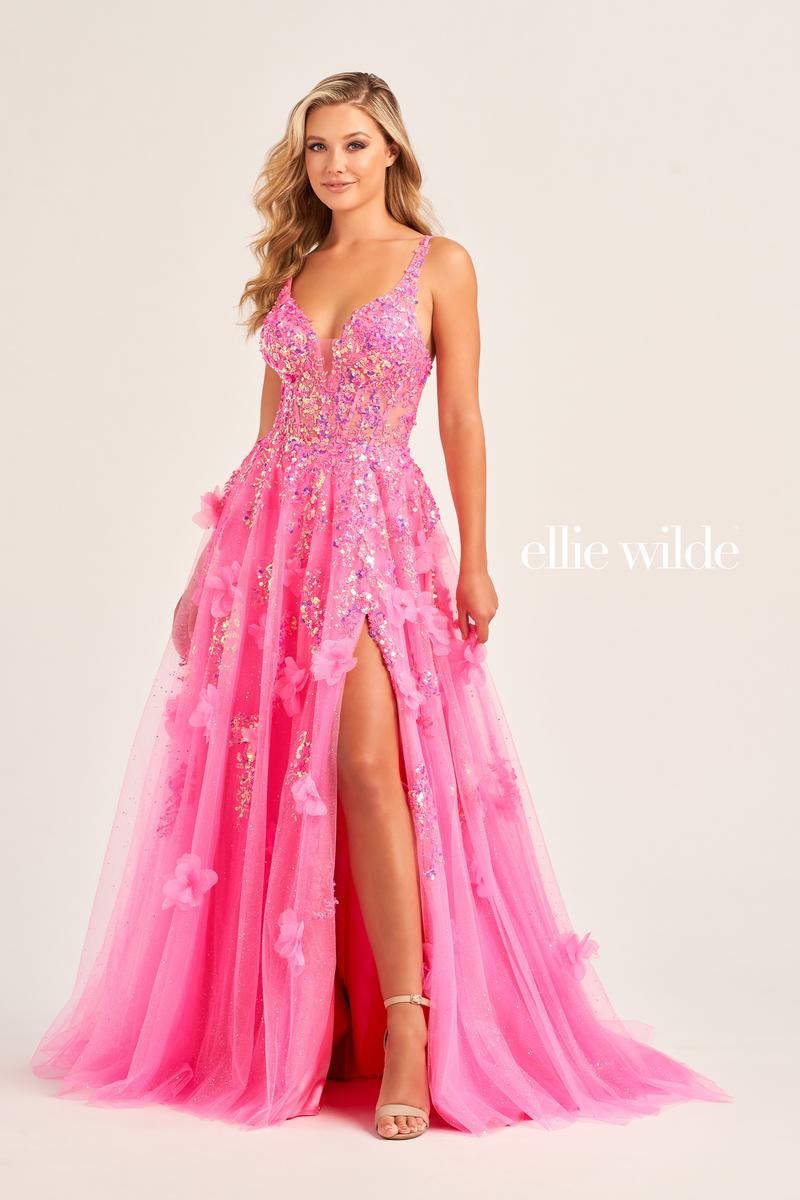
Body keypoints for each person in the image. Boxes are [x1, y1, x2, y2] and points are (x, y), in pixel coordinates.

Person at [31, 71, 732, 1141]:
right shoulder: (297, 268)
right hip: (275, 541)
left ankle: (409, 1023)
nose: (334, 164)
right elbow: (268, 435)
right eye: (317, 146)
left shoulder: (438, 264)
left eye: (354, 143)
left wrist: (477, 560)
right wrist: (206, 569)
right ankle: (317, 1014)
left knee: (368, 763)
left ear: (392, 151)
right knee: (285, 773)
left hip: (374, 530)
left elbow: (461, 418)